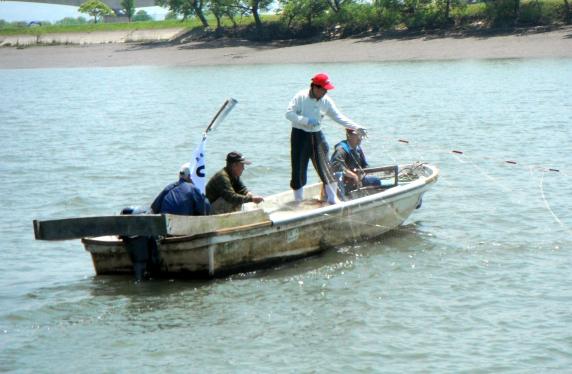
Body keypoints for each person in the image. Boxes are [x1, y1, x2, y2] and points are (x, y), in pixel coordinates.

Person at [285, 72, 366, 204]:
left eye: (327, 90)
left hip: (317, 135)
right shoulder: (300, 97)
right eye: (324, 89)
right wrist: (306, 120)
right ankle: (298, 200)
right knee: (298, 167)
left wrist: (356, 127)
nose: (325, 92)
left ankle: (332, 198)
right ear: (315, 87)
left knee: (326, 166)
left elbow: (338, 117)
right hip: (299, 135)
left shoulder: (326, 100)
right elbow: (288, 114)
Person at [331, 128, 382, 199]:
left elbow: (365, 165)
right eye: (357, 135)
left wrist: (364, 174)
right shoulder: (341, 149)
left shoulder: (357, 148)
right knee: (376, 181)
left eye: (360, 135)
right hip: (345, 183)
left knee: (375, 180)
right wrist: (354, 176)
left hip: (359, 179)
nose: (360, 138)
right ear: (349, 135)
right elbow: (336, 166)